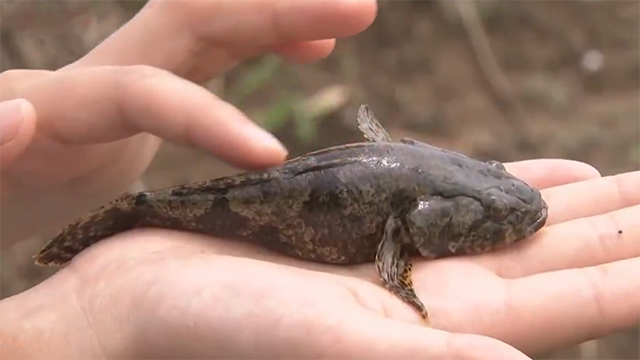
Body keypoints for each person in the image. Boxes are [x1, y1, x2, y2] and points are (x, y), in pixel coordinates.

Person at [1, 0, 640, 359]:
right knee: (154, 205)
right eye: (496, 213)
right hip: (313, 197)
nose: (511, 216)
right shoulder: (416, 207)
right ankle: (117, 219)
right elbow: (409, 222)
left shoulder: (430, 184)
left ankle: (115, 220)